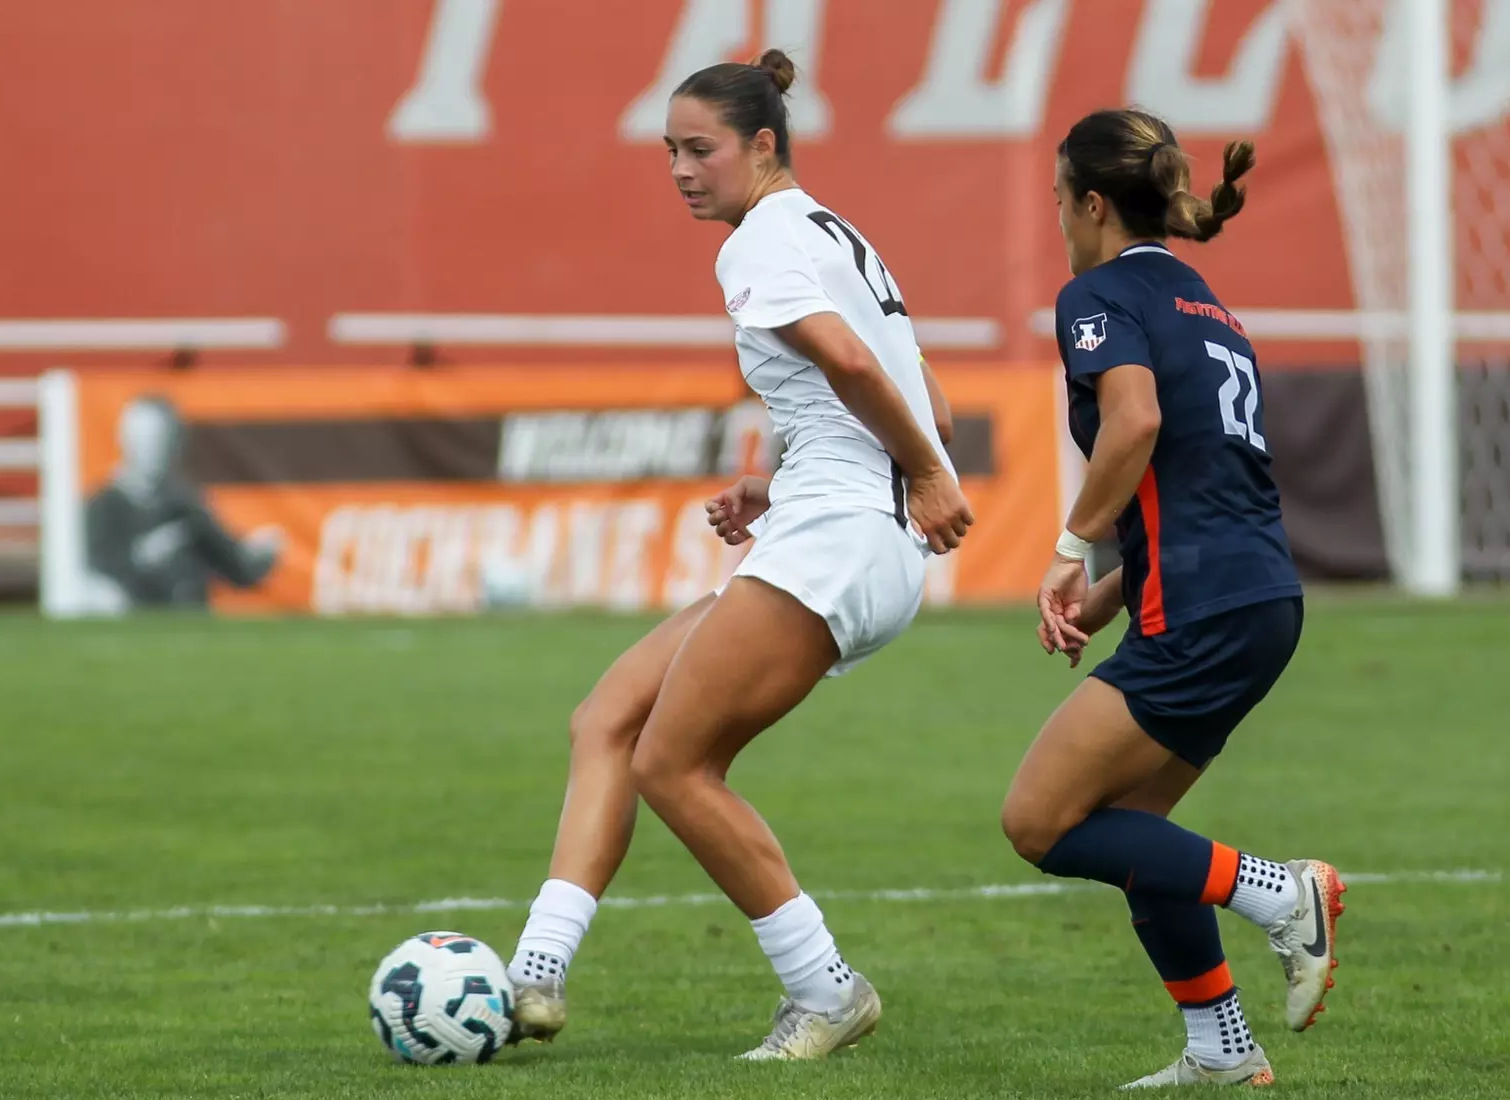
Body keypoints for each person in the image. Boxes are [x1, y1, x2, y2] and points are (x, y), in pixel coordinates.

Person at [503, 49, 971, 1061]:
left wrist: (923, 479)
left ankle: (826, 989)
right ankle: (534, 971)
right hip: (843, 523)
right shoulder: (841, 236)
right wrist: (780, 482)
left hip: (843, 536)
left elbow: (851, 364)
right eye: (669, 150)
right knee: (611, 716)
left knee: (675, 761)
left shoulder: (759, 238)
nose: (680, 168)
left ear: (763, 144)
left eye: (700, 148)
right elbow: (927, 395)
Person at [996, 109, 1345, 1088]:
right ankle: (1220, 1046)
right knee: (1132, 826)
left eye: (1063, 200)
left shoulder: (1096, 292)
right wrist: (1112, 592)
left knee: (1041, 819)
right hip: (1254, 594)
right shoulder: (1205, 301)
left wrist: (1068, 550)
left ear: (1095, 203)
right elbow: (1202, 482)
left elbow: (1137, 421)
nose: (1061, 218)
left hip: (1199, 602)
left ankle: (1282, 891)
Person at [83, 395, 282, 611]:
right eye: (145, 441)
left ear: (176, 443)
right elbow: (89, 576)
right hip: (132, 625)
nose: (153, 451)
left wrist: (257, 558)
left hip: (192, 627)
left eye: (160, 441)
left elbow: (235, 567)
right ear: (125, 441)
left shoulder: (186, 506)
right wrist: (143, 559)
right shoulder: (102, 508)